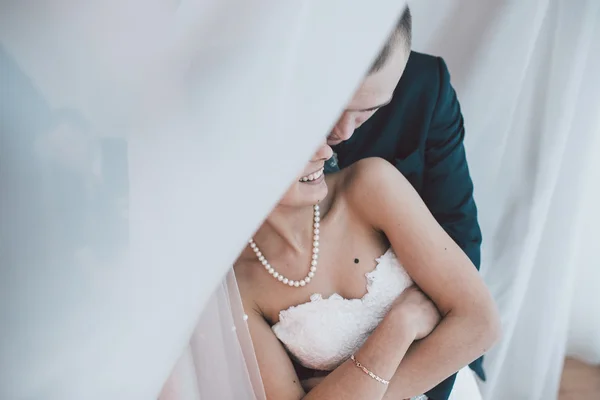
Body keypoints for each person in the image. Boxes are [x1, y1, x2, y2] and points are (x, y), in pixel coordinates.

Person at [234, 143, 499, 400]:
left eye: (319, 135)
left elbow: (481, 324)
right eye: (301, 143)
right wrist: (400, 326)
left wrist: (357, 391)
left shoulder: (370, 185)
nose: (325, 151)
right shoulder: (239, 286)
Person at [324, 6, 484, 399]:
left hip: (420, 357)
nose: (342, 133)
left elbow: (459, 243)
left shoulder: (426, 89)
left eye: (368, 111)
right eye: (332, 107)